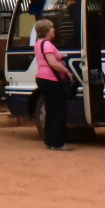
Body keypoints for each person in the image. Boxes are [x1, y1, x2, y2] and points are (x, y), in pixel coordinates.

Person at [33, 18, 76, 150]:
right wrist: (66, 71)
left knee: (51, 110)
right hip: (51, 79)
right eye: (52, 28)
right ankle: (57, 142)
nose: (54, 30)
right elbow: (53, 63)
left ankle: (50, 140)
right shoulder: (47, 44)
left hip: (42, 78)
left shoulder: (38, 43)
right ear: (47, 30)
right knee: (59, 110)